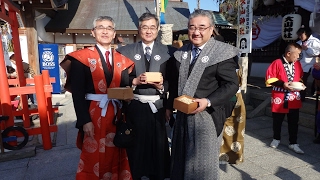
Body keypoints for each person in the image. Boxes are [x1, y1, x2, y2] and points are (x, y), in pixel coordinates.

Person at [60, 16, 134, 179]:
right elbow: (78, 93)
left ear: (114, 33)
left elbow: (125, 87)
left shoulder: (123, 60)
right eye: (101, 27)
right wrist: (84, 120)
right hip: (93, 113)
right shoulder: (81, 58)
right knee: (93, 154)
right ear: (93, 32)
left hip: (116, 114)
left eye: (109, 28)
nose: (105, 31)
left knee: (116, 152)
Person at [170, 9, 239, 179]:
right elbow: (173, 82)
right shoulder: (181, 52)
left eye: (202, 27)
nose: (196, 32)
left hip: (207, 115)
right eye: (192, 27)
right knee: (181, 158)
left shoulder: (222, 52)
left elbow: (232, 84)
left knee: (203, 164)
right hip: (182, 115)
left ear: (211, 29)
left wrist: (208, 101)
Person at [116, 12, 173, 180]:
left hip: (159, 105)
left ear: (157, 29)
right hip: (135, 104)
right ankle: (136, 174)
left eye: (152, 27)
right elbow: (118, 78)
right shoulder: (125, 51)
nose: (148, 31)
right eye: (145, 27)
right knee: (136, 144)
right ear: (139, 29)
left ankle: (158, 175)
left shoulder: (168, 51)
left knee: (158, 143)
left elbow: (174, 80)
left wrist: (163, 87)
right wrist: (134, 82)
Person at [266, 43, 304, 154]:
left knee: (294, 121)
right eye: (297, 55)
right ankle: (276, 139)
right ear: (288, 53)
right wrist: (283, 84)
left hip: (293, 97)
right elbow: (269, 79)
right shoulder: (276, 63)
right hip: (280, 96)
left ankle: (293, 143)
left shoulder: (298, 64)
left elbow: (300, 78)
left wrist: (300, 85)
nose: (298, 57)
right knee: (277, 120)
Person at [219, 60, 246, 164]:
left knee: (235, 127)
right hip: (231, 96)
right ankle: (230, 156)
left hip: (231, 96)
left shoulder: (231, 63)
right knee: (229, 127)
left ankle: (231, 155)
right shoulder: (235, 63)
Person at [296, 26, 320, 101]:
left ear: (307, 34)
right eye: (299, 35)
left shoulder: (314, 41)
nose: (300, 37)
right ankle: (300, 96)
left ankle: (303, 96)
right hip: (300, 64)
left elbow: (317, 52)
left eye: (301, 34)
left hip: (310, 64)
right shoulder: (299, 42)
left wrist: (306, 49)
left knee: (304, 80)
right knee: (301, 80)